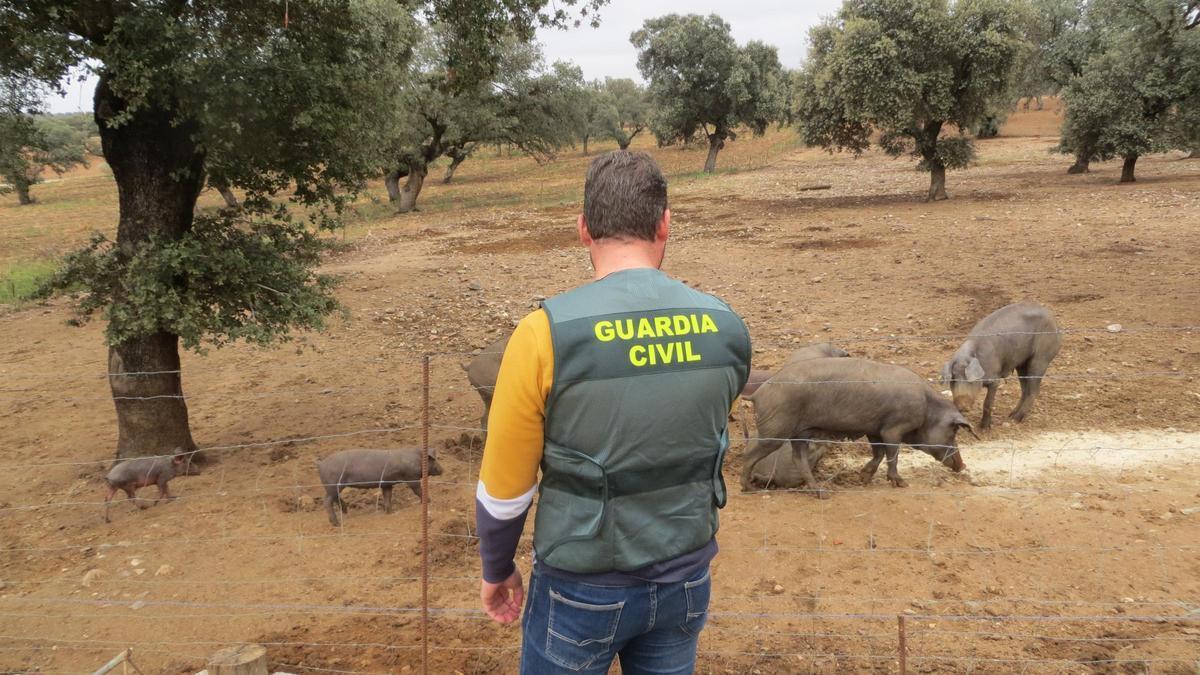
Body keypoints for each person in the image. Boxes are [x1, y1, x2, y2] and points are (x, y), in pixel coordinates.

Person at [475, 150, 752, 674]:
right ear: (665, 224)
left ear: (583, 228)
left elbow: (505, 490)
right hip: (686, 580)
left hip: (581, 587)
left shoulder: (542, 334)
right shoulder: (726, 328)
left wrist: (497, 567)